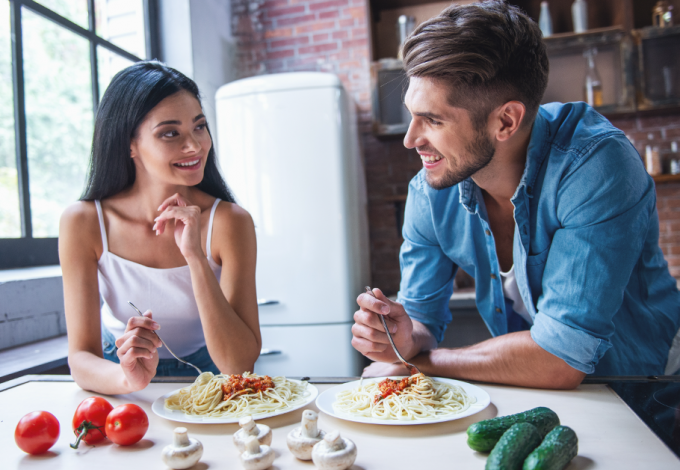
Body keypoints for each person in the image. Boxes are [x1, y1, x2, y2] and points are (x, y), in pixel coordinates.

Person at [351, 1, 680, 389]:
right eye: (412, 114)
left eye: (434, 120)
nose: (410, 139)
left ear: (506, 121)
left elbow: (559, 358)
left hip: (644, 385)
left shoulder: (596, 166)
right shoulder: (430, 191)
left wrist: (424, 362)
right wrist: (403, 338)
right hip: (530, 386)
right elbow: (421, 318)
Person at [59, 61, 261, 394]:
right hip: (114, 372)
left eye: (199, 126)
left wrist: (194, 256)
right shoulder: (84, 222)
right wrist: (127, 377)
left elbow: (239, 365)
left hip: (210, 373)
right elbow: (81, 356)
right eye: (170, 133)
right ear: (129, 144)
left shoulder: (230, 222)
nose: (195, 146)